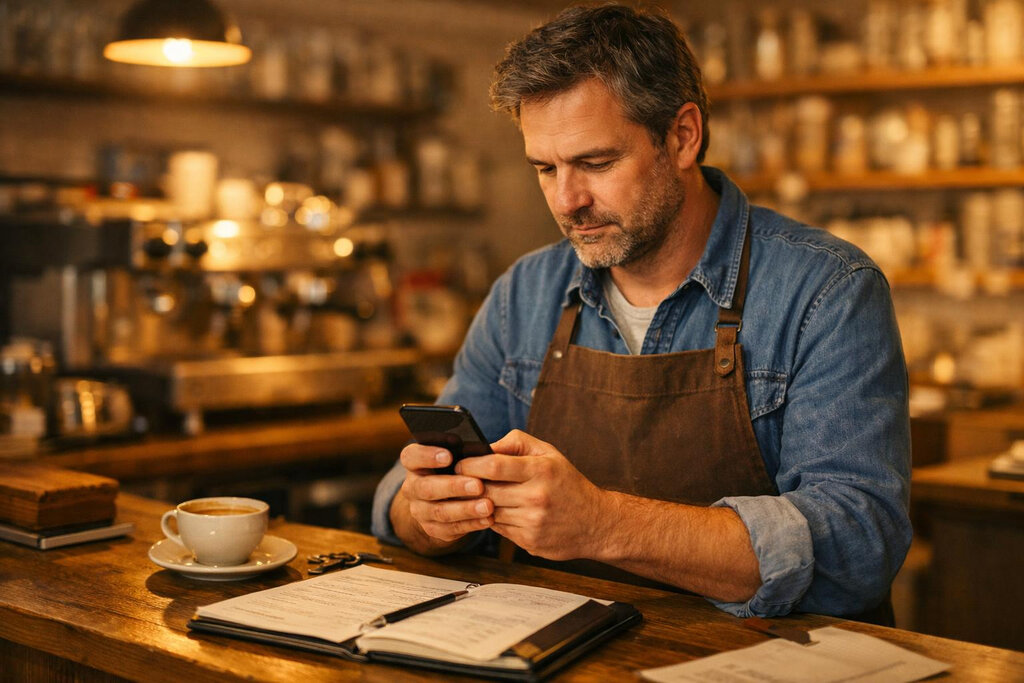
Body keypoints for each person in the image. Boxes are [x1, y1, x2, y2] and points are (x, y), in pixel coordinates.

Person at [372, 4, 911, 623]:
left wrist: (602, 524)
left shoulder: (826, 291)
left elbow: (857, 549)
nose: (567, 200)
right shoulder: (524, 294)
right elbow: (395, 509)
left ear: (683, 135)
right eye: (545, 169)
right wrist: (428, 511)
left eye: (596, 163)